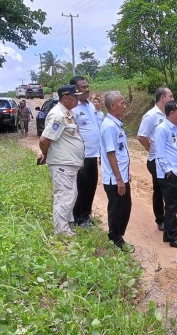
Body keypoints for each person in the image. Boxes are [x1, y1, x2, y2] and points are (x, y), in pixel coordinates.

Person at [137, 87, 177, 231]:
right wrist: (151, 149)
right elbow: (141, 136)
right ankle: (161, 220)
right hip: (157, 160)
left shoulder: (170, 115)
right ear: (162, 98)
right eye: (170, 96)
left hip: (172, 161)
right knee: (160, 190)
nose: (172, 97)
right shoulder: (151, 115)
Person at [38, 85, 84, 236]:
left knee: (71, 194)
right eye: (75, 97)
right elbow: (45, 139)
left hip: (68, 163)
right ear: (65, 98)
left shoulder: (67, 113)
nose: (77, 99)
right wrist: (44, 153)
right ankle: (61, 230)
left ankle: (67, 225)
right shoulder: (58, 115)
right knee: (65, 195)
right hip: (62, 163)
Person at [100, 91, 134, 253]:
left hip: (121, 176)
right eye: (122, 103)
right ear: (113, 106)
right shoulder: (109, 127)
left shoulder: (116, 124)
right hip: (115, 180)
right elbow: (111, 154)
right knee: (117, 209)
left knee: (125, 207)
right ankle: (115, 239)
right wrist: (120, 179)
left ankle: (118, 237)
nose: (125, 105)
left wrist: (126, 174)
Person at [155, 101, 177, 248]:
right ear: (171, 113)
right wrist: (168, 171)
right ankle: (173, 237)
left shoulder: (175, 128)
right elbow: (160, 153)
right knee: (171, 206)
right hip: (169, 174)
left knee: (174, 205)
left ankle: (169, 234)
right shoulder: (162, 129)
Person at [70, 76, 102, 227]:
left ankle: (86, 215)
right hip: (81, 155)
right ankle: (78, 218)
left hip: (94, 154)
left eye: (87, 86)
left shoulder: (90, 106)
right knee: (81, 187)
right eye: (83, 87)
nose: (87, 89)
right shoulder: (72, 108)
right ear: (74, 89)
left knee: (91, 185)